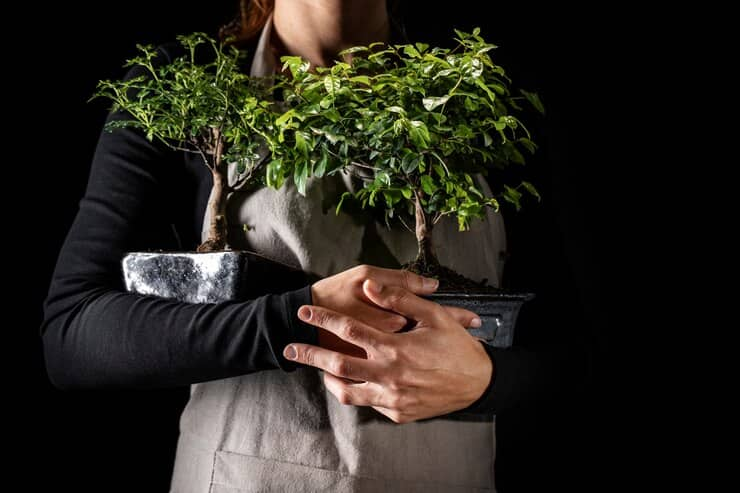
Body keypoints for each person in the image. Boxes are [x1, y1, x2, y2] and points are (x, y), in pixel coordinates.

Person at [41, 0, 589, 491]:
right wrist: (299, 317)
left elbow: (570, 347)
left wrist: (488, 380)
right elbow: (76, 332)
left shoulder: (480, 97)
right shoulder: (183, 87)